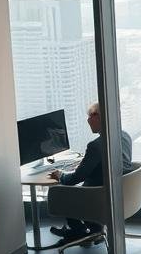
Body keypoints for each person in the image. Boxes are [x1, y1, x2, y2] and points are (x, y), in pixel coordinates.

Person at [48, 102, 135, 241]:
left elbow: (75, 179)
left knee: (63, 190)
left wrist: (60, 175)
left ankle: (79, 231)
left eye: (89, 116)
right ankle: (95, 230)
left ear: (96, 116)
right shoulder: (124, 136)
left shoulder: (96, 146)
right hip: (121, 195)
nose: (87, 121)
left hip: (98, 198)